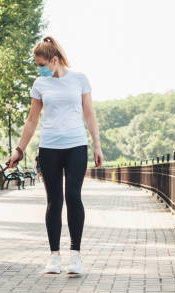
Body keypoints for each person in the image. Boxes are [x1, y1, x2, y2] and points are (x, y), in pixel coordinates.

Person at [7, 36, 104, 275]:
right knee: (54, 202)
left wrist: (97, 145)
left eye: (42, 64)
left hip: (76, 146)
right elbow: (32, 121)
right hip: (49, 147)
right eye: (37, 65)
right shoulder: (40, 84)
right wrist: (19, 149)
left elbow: (89, 114)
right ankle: (54, 256)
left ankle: (76, 257)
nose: (39, 69)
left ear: (55, 60)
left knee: (73, 196)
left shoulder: (79, 79)